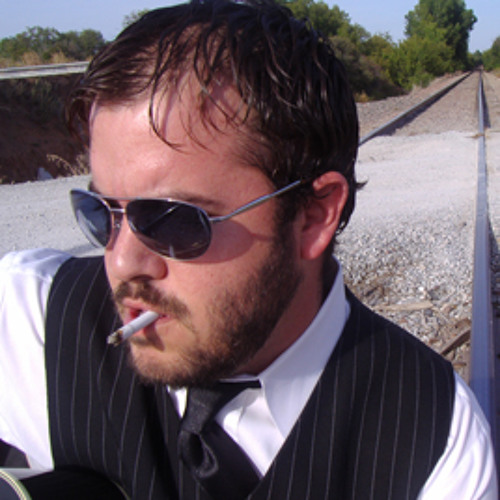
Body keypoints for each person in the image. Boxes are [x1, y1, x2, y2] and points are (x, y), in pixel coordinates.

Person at [0, 0, 497, 498]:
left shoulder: (434, 446)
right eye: (101, 211)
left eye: (173, 219)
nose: (122, 262)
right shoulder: (32, 322)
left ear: (313, 215)